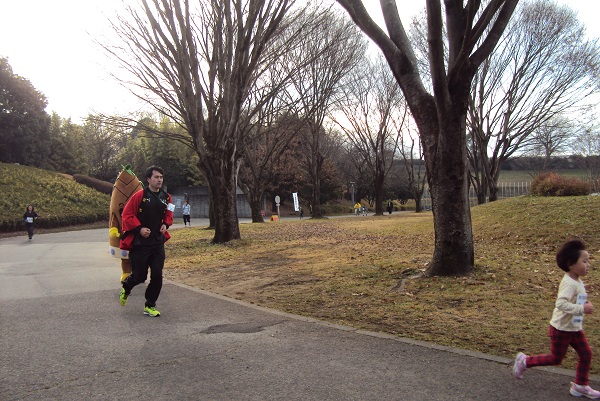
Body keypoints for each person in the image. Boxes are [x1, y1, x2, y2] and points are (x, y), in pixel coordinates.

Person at [513, 239, 600, 399]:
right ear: (571, 264)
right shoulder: (569, 283)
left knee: (586, 353)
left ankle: (580, 386)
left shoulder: (577, 280)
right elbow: (561, 304)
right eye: (584, 261)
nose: (588, 264)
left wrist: (583, 304)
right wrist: (582, 308)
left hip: (574, 327)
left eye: (589, 260)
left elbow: (574, 300)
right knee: (555, 359)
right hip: (561, 329)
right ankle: (524, 362)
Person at [118, 166, 174, 317]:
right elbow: (127, 215)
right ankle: (127, 287)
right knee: (140, 276)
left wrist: (166, 224)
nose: (159, 180)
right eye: (156, 177)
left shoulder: (167, 197)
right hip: (140, 244)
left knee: (157, 275)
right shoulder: (139, 196)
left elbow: (169, 214)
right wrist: (139, 229)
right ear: (148, 179)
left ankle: (150, 305)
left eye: (161, 177)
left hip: (157, 243)